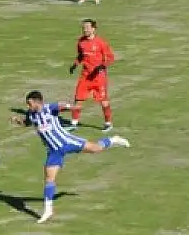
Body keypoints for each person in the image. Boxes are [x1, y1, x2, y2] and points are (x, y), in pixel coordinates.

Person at [12, 91, 130, 223]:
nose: (28, 107)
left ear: (37, 101)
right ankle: (48, 210)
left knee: (96, 149)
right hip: (53, 151)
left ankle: (113, 139)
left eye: (29, 103)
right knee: (49, 179)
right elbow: (27, 122)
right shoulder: (31, 115)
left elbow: (62, 105)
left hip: (67, 141)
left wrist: (73, 107)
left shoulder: (49, 108)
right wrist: (17, 121)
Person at [67, 19, 115, 132]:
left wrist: (101, 66)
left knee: (103, 101)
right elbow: (80, 56)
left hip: (99, 77)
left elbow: (110, 58)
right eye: (83, 28)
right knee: (78, 99)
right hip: (85, 76)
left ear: (94, 29)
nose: (85, 30)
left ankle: (108, 123)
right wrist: (75, 64)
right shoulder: (81, 42)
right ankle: (74, 124)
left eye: (87, 28)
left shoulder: (101, 42)